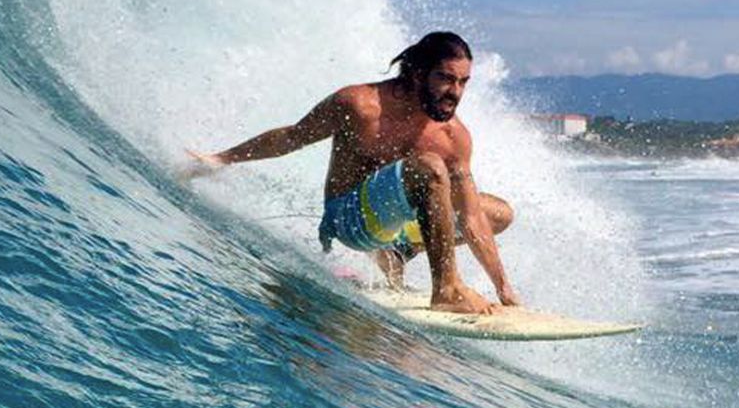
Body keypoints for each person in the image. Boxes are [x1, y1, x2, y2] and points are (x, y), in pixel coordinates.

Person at [182, 31, 519, 315]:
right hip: (348, 219)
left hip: (394, 228)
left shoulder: (453, 135)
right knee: (430, 168)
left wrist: (504, 290)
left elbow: (472, 218)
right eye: (445, 78)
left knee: (497, 213)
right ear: (418, 73)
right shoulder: (359, 105)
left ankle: (398, 254)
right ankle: (446, 290)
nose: (455, 93)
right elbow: (293, 137)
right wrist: (222, 159)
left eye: (463, 82)